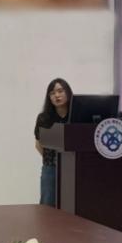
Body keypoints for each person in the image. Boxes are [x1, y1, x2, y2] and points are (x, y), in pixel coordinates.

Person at [34, 78, 73, 206]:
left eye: (60, 91)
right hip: (50, 167)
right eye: (52, 93)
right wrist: (52, 159)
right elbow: (38, 144)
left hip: (73, 167)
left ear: (68, 92)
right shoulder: (44, 118)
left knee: (72, 204)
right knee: (47, 203)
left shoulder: (76, 116)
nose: (56, 95)